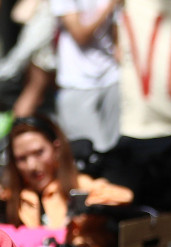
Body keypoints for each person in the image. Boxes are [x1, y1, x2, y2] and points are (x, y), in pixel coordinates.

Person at [1, 113, 133, 247]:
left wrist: (84, 206)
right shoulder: (12, 198)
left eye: (39, 153)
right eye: (22, 158)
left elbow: (124, 196)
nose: (32, 165)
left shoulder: (78, 184)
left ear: (56, 149)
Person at [50, 0, 121, 153]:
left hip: (112, 78)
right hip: (78, 84)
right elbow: (80, 35)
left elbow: (118, 36)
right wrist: (110, 5)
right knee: (88, 154)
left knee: (116, 152)